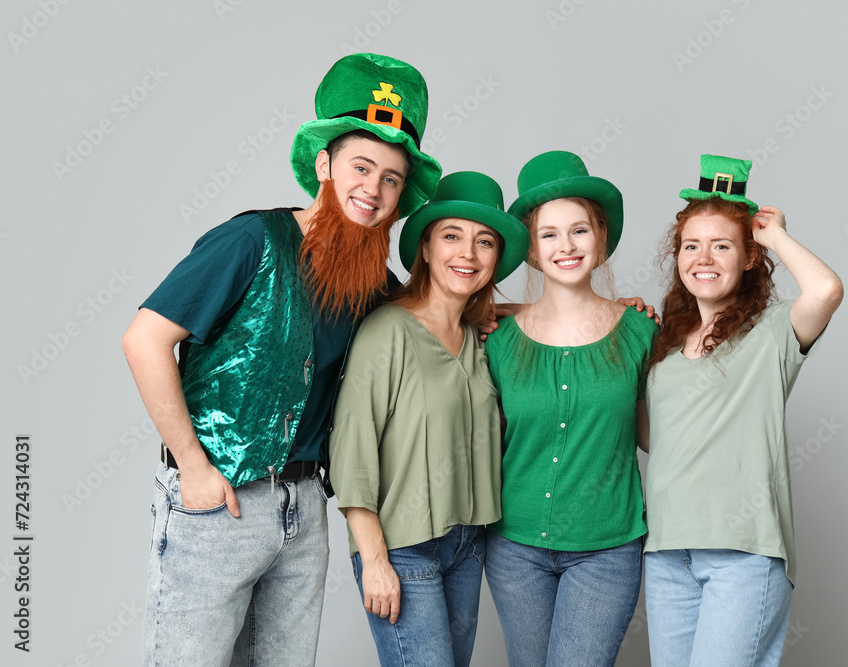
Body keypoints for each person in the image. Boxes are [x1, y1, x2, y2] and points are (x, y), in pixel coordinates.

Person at [120, 52, 442, 665]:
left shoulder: (371, 280)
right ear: (324, 164)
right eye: (361, 166)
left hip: (305, 511)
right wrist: (192, 465)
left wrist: (535, 315)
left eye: (391, 178)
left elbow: (435, 314)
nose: (372, 189)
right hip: (220, 502)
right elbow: (144, 339)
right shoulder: (253, 240)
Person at [639, 154, 844, 666]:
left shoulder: (774, 332)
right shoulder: (664, 343)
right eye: (692, 246)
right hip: (667, 551)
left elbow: (826, 289)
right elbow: (653, 437)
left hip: (743, 554)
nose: (703, 258)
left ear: (749, 258)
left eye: (722, 246)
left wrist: (773, 235)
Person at [328, 171, 529, 667]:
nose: (468, 253)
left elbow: (555, 320)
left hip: (468, 542)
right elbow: (351, 451)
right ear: (424, 248)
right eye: (452, 236)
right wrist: (373, 559)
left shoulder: (481, 338)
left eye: (484, 242)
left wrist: (616, 308)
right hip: (402, 547)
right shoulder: (388, 330)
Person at [482, 150, 658, 666]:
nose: (566, 246)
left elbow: (662, 437)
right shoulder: (497, 340)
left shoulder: (641, 333)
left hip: (607, 548)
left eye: (579, 230)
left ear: (600, 239)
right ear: (532, 250)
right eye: (549, 234)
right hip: (514, 548)